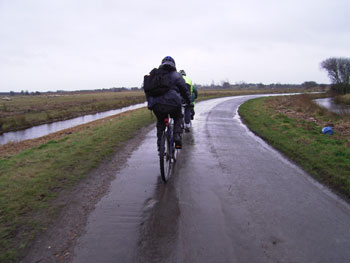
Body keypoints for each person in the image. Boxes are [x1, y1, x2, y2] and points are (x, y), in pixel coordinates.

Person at [145, 56, 192, 150]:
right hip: (174, 104)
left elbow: (148, 90)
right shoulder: (177, 75)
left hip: (157, 105)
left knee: (161, 122)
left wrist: (150, 103)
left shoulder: (156, 75)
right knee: (178, 117)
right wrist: (189, 103)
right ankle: (177, 137)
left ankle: (160, 145)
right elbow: (185, 91)